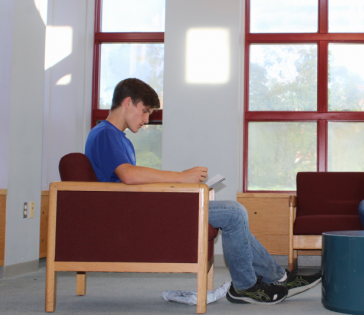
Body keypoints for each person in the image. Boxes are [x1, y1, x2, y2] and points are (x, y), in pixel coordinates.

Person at [84, 78, 321, 305]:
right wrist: (180, 178)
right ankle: (246, 287)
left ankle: (277, 278)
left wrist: (180, 187)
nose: (147, 119)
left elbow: (131, 181)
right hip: (137, 214)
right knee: (234, 212)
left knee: (233, 213)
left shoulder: (119, 138)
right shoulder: (104, 133)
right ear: (127, 102)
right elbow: (129, 175)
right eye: (145, 111)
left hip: (143, 207)